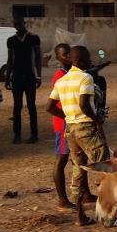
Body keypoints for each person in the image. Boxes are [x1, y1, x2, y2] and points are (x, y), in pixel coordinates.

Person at [46, 46, 105, 226]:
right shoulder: (86, 77)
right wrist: (97, 119)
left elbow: (49, 106)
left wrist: (68, 117)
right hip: (86, 127)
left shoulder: (62, 81)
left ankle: (80, 216)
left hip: (70, 129)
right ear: (81, 60)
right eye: (88, 57)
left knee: (78, 170)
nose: (90, 61)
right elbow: (84, 104)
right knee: (103, 167)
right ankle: (108, 213)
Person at [5, 19, 42, 144]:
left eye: (19, 24)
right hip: (16, 77)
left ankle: (34, 134)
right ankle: (17, 135)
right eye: (15, 24)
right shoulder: (11, 40)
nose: (17, 27)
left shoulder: (33, 38)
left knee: (31, 106)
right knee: (17, 106)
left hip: (30, 76)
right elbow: (10, 59)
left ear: (24, 24)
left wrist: (39, 76)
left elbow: (38, 59)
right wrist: (7, 77)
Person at [50, 43, 75, 209]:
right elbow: (52, 105)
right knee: (62, 159)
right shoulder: (60, 75)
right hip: (63, 124)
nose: (68, 57)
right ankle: (62, 199)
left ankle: (85, 193)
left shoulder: (70, 73)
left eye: (69, 54)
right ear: (58, 58)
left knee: (78, 160)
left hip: (71, 122)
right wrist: (67, 117)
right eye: (64, 55)